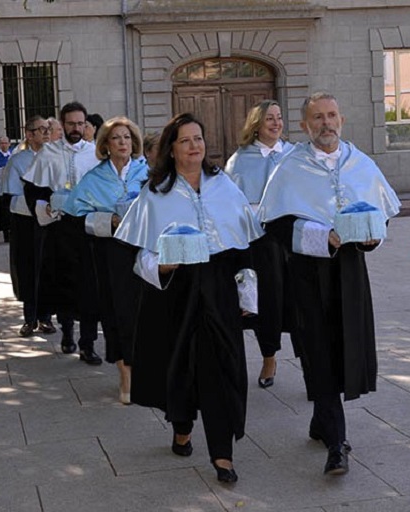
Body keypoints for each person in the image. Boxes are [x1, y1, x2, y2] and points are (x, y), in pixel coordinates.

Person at [114, 113, 262, 483]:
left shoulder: (224, 185)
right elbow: (137, 256)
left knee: (220, 369)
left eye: (199, 139)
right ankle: (181, 427)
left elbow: (243, 247)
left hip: (218, 291)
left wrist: (248, 294)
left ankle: (222, 454)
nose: (195, 146)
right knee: (177, 367)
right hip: (174, 293)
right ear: (172, 149)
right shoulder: (155, 192)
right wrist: (163, 268)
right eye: (186, 140)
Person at [258, 91, 400, 476]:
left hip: (351, 272)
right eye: (317, 117)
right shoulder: (290, 166)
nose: (326, 123)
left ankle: (323, 422)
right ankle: (338, 442)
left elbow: (381, 214)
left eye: (332, 115)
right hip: (307, 273)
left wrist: (373, 236)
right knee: (318, 350)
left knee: (344, 347)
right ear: (305, 126)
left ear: (342, 120)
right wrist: (324, 237)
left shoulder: (361, 163)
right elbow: (275, 225)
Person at [63, 116, 149, 404]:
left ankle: (145, 370)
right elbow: (75, 218)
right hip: (110, 254)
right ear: (106, 145)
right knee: (116, 313)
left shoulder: (147, 173)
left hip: (143, 250)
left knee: (144, 314)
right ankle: (125, 373)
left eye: (127, 138)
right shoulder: (94, 178)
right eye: (117, 138)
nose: (123, 143)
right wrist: (108, 220)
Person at [22, 101, 101, 363]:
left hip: (89, 227)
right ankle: (68, 334)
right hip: (60, 227)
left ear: (85, 124)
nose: (76, 128)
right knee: (65, 283)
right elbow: (33, 188)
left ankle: (88, 343)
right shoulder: (49, 152)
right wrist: (43, 206)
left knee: (90, 287)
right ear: (63, 124)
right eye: (71, 123)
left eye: (80, 123)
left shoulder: (95, 153)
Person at [225, 99, 295, 389]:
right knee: (268, 301)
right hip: (260, 242)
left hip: (296, 238)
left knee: (301, 301)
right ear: (256, 124)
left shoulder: (295, 155)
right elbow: (230, 201)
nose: (276, 123)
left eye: (279, 118)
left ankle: (312, 363)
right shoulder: (240, 159)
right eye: (269, 119)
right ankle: (269, 356)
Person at [0, 116, 56, 337]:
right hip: (26, 223)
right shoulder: (18, 160)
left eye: (48, 129)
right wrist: (37, 204)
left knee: (48, 268)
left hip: (51, 222)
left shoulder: (56, 157)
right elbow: (10, 195)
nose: (46, 133)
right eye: (41, 129)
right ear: (29, 134)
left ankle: (47, 318)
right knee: (28, 268)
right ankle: (30, 318)